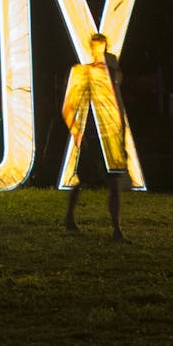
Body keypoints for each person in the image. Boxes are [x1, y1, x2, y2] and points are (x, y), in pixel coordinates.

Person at [61, 33, 129, 242]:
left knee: (114, 182)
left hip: (110, 134)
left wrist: (121, 135)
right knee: (82, 179)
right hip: (93, 134)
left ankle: (116, 229)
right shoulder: (86, 73)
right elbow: (69, 105)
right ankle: (70, 218)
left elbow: (117, 104)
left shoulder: (111, 75)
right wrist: (76, 131)